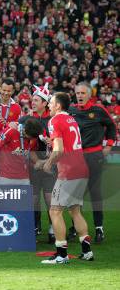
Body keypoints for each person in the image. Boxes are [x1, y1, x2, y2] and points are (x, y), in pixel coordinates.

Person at [39, 92, 93, 264]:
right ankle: (87, 251)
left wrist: (48, 162)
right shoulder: (71, 119)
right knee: (75, 211)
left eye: (51, 103)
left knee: (55, 211)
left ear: (58, 106)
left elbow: (60, 150)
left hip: (68, 172)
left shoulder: (54, 120)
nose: (48, 105)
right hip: (81, 169)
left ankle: (61, 254)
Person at [68, 82, 116, 242]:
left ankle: (99, 228)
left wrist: (108, 145)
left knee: (95, 193)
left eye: (82, 93)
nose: (79, 96)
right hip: (76, 157)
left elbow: (112, 127)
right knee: (76, 194)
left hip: (94, 156)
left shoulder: (98, 110)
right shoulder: (71, 110)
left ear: (89, 95)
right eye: (77, 93)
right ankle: (75, 226)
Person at [18, 84, 56, 241]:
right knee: (33, 199)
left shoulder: (53, 119)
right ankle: (35, 226)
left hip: (51, 165)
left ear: (45, 102)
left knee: (49, 198)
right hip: (33, 165)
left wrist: (48, 161)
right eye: (32, 100)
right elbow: (24, 142)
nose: (32, 102)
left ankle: (54, 228)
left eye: (36, 100)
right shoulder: (26, 119)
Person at [0, 118, 42, 185]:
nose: (29, 139)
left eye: (31, 138)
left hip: (24, 178)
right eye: (28, 137)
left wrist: (37, 161)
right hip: (6, 176)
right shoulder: (11, 130)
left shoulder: (33, 136)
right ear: (24, 130)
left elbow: (31, 151)